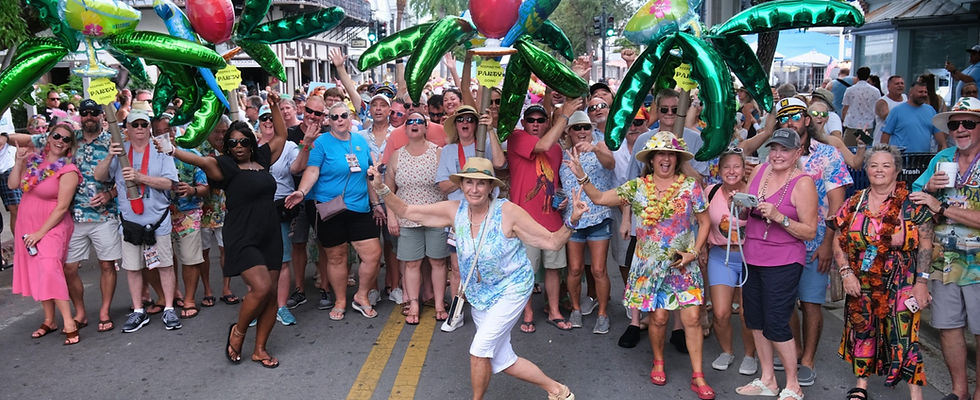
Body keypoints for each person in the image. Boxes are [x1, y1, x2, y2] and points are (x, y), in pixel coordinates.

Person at [370, 156, 580, 400]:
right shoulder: (454, 211)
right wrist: (381, 187)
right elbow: (407, 211)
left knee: (479, 350)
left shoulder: (508, 212)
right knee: (502, 359)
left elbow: (553, 242)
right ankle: (558, 391)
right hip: (480, 294)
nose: (474, 189)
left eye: (481, 183)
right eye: (469, 182)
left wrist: (572, 221)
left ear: (491, 187)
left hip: (512, 288)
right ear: (461, 186)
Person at [567, 131, 714, 399]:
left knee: (692, 317)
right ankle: (658, 361)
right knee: (657, 318)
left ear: (677, 158)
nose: (665, 159)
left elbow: (705, 222)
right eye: (660, 154)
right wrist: (581, 176)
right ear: (652, 158)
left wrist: (693, 251)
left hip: (683, 264)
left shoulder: (690, 186)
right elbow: (599, 198)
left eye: (670, 154)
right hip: (649, 267)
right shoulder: (637, 187)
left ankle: (698, 374)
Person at [166, 93, 288, 367]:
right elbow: (199, 161)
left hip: (269, 233)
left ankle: (260, 349)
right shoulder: (225, 166)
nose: (239, 146)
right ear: (227, 147)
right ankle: (239, 331)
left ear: (251, 143)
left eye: (244, 141)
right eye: (232, 143)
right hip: (242, 235)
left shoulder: (263, 159)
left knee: (271, 295)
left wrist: (275, 105)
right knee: (261, 287)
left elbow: (281, 135)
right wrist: (172, 149)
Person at [832, 144, 934, 400]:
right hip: (861, 279)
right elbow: (838, 237)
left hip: (903, 280)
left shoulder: (912, 204)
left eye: (886, 165)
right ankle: (861, 385)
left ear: (897, 171)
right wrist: (845, 272)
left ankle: (915, 394)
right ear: (866, 169)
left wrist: (921, 282)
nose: (879, 170)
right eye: (874, 165)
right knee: (863, 329)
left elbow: (926, 243)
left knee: (905, 335)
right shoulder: (854, 202)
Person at [734, 128, 818, 400]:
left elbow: (810, 231)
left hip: (784, 259)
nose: (778, 154)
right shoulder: (760, 172)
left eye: (785, 149)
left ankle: (793, 384)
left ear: (797, 153)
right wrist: (741, 206)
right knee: (754, 318)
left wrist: (780, 218)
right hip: (753, 255)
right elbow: (747, 207)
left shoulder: (803, 182)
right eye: (774, 148)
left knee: (777, 321)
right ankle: (768, 379)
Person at [284, 102, 384, 321]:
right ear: (328, 120)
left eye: (343, 116)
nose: (339, 120)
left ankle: (362, 295)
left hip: (359, 207)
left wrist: (376, 204)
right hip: (330, 207)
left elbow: (368, 175)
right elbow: (311, 170)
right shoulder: (321, 143)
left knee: (373, 254)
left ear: (350, 118)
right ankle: (340, 300)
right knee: (336, 257)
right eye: (334, 116)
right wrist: (301, 192)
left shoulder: (360, 141)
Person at [910, 96, 980, 400]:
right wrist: (929, 188)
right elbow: (915, 199)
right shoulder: (942, 159)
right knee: (948, 327)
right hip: (944, 261)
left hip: (977, 264)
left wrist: (943, 207)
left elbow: (939, 209)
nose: (960, 129)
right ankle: (959, 391)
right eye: (955, 124)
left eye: (969, 123)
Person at [94, 110, 182, 333]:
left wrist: (141, 178)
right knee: (133, 268)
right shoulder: (120, 150)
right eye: (136, 125)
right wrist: (109, 156)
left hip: (157, 219)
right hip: (131, 221)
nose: (141, 128)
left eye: (144, 124)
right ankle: (138, 310)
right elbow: (100, 176)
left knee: (165, 265)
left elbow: (170, 183)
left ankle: (169, 307)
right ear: (127, 129)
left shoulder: (160, 150)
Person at [434, 105, 506, 331]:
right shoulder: (448, 150)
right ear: (455, 125)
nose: (465, 123)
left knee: (487, 265)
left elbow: (500, 164)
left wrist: (491, 130)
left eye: (470, 119)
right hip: (460, 217)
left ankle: (487, 310)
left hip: (487, 215)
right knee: (457, 267)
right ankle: (457, 312)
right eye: (460, 119)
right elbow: (443, 185)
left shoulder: (484, 143)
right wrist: (470, 180)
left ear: (476, 124)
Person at [10, 122, 81, 345]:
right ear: (48, 138)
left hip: (52, 224)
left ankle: (68, 321)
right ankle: (49, 320)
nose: (60, 141)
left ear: (70, 146)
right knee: (38, 270)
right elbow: (14, 185)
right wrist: (19, 161)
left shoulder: (68, 170)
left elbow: (62, 207)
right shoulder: (32, 160)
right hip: (27, 222)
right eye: (57, 136)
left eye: (66, 139)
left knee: (50, 267)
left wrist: (41, 233)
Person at [384, 112, 449, 324]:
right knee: (411, 263)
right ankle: (413, 303)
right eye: (410, 121)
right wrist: (391, 217)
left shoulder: (438, 153)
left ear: (425, 127)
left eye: (419, 121)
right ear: (405, 128)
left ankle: (439, 303)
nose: (414, 124)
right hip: (407, 220)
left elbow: (447, 188)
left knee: (438, 262)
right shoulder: (396, 155)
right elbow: (388, 191)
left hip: (435, 217)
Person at [701, 149, 758, 375]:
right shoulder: (710, 191)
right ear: (719, 170)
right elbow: (702, 222)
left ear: (744, 169)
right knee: (721, 312)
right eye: (727, 167)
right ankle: (727, 351)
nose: (732, 171)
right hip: (720, 255)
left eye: (737, 166)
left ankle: (750, 355)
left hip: (750, 257)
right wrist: (702, 248)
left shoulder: (754, 192)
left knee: (747, 312)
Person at [559, 111, 615, 334]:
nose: (582, 132)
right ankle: (574, 308)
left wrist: (595, 149)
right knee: (574, 269)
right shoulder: (562, 154)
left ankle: (602, 313)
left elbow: (610, 164)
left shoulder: (600, 145)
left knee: (599, 270)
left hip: (599, 216)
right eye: (577, 128)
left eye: (586, 127)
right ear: (569, 132)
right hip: (574, 219)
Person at [157, 115, 209, 319]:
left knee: (190, 258)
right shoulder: (150, 156)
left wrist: (193, 190)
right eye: (160, 131)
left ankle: (188, 299)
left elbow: (205, 187)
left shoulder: (191, 154)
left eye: (168, 130)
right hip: (159, 215)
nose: (165, 135)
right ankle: (170, 295)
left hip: (188, 213)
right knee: (162, 260)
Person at [284, 95, 331, 311]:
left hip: (322, 197)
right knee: (298, 243)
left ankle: (325, 287)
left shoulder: (329, 134)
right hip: (297, 196)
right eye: (309, 111)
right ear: (303, 110)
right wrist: (308, 142)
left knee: (325, 243)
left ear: (324, 116)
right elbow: (295, 169)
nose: (312, 116)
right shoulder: (290, 134)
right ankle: (300, 289)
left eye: (318, 113)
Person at [257, 104, 300, 326]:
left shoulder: (290, 146)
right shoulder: (250, 146)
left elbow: (297, 168)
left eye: (272, 118)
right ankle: (258, 306)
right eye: (264, 117)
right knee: (256, 262)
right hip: (254, 211)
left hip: (279, 208)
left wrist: (308, 145)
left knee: (282, 261)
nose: (268, 122)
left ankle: (281, 306)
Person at [881, 81, 947, 152]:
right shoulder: (896, 111)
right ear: (911, 93)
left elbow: (938, 134)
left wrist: (943, 147)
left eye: (925, 92)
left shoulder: (930, 110)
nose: (924, 94)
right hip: (901, 157)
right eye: (920, 92)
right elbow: (886, 135)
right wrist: (883, 154)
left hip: (922, 158)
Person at [841, 67, 881, 146]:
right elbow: (877, 107)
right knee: (864, 149)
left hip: (852, 124)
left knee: (848, 149)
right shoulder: (875, 91)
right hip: (867, 125)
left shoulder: (850, 90)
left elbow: (845, 108)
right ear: (868, 76)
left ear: (857, 75)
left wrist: (843, 121)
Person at [874, 76, 907, 146]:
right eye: (897, 84)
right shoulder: (882, 102)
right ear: (888, 87)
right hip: (882, 144)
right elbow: (888, 118)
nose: (900, 86)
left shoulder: (905, 98)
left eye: (902, 83)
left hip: (900, 145)